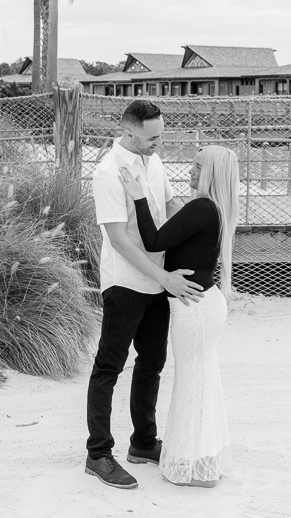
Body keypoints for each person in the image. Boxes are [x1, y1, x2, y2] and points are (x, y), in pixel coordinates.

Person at [85, 100, 205, 490]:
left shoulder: (153, 161)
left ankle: (143, 443)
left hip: (159, 279)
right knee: (109, 366)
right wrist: (164, 277)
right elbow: (118, 239)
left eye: (161, 136)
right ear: (129, 130)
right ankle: (98, 453)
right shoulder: (107, 173)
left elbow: (170, 207)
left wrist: (199, 223)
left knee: (152, 363)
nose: (158, 143)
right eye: (152, 137)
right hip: (125, 283)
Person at [118, 144, 239, 488]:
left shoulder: (202, 207)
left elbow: (154, 241)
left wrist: (139, 198)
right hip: (205, 305)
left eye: (197, 167)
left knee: (192, 384)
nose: (190, 171)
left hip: (195, 311)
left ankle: (195, 469)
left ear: (211, 173)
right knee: (202, 382)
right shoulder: (215, 209)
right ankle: (204, 461)